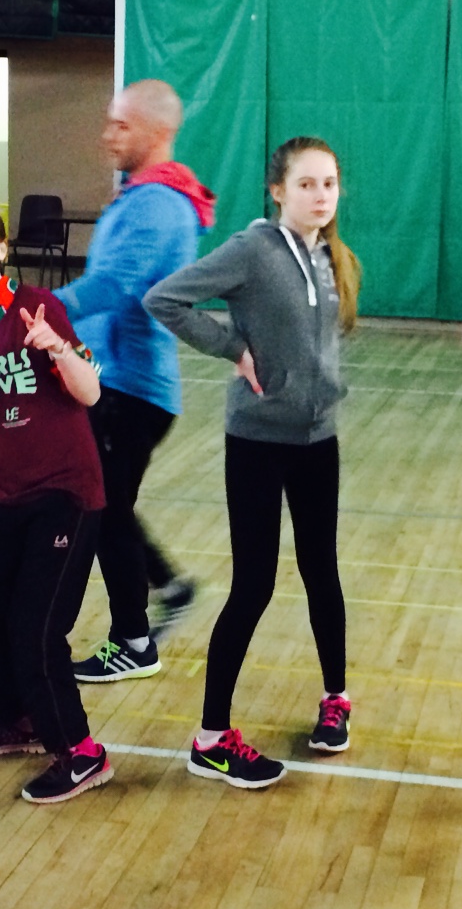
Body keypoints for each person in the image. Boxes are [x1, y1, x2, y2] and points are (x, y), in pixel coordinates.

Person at [144, 137, 364, 785]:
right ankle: (211, 737)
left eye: (329, 184)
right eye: (306, 184)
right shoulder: (252, 250)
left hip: (318, 440)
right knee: (254, 586)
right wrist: (233, 349)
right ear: (278, 190)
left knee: (322, 571)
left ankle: (336, 699)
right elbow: (165, 299)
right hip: (258, 443)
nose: (320, 196)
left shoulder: (329, 255)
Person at [0, 196, 118, 804]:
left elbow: (90, 394)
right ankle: (22, 721)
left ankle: (82, 752)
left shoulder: (39, 306)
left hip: (67, 491)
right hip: (11, 495)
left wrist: (57, 349)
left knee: (36, 630)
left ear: (2, 247)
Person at [57, 79, 216, 680]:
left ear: (158, 131)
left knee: (103, 511)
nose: (108, 135)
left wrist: (30, 310)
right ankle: (170, 589)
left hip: (131, 390)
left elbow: (113, 287)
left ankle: (133, 642)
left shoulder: (157, 205)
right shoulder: (146, 197)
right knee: (105, 506)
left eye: (121, 125)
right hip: (117, 383)